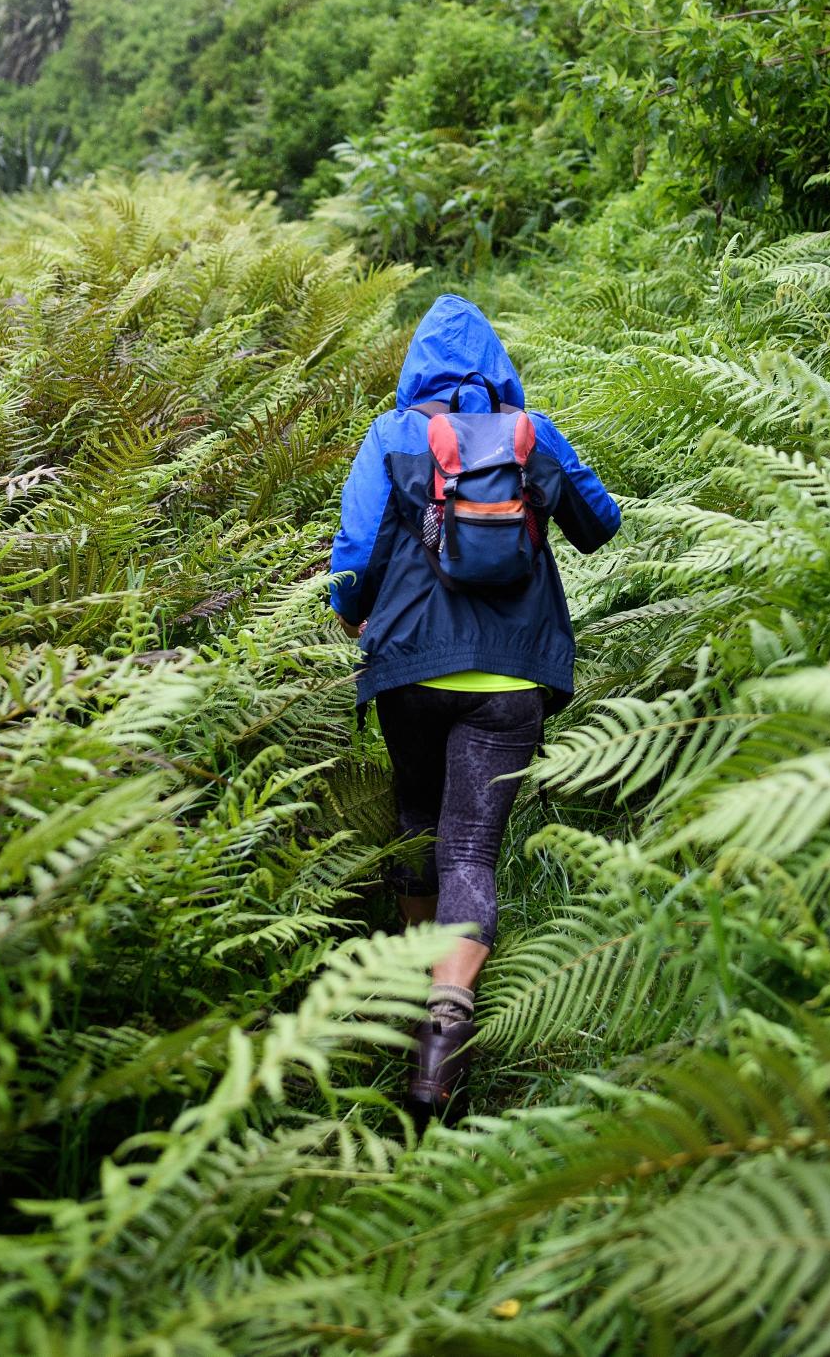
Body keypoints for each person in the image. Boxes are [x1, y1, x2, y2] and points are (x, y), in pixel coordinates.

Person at [327, 294, 622, 1109]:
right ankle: (445, 1031)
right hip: (512, 674)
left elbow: (351, 556)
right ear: (498, 365)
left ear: (415, 366)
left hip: (409, 668)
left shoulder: (391, 435)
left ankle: (408, 996)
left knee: (418, 821)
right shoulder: (531, 433)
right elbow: (602, 523)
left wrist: (354, 614)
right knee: (470, 852)